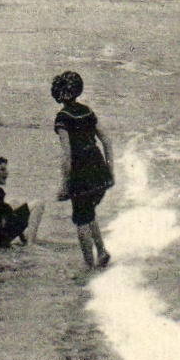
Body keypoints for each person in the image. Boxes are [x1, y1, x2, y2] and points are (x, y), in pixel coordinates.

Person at [45, 70, 113, 268]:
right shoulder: (88, 111)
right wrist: (111, 171)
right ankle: (101, 252)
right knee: (88, 211)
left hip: (81, 170)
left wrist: (65, 184)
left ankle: (88, 265)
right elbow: (106, 141)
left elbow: (67, 155)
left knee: (81, 219)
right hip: (99, 167)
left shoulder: (62, 118)